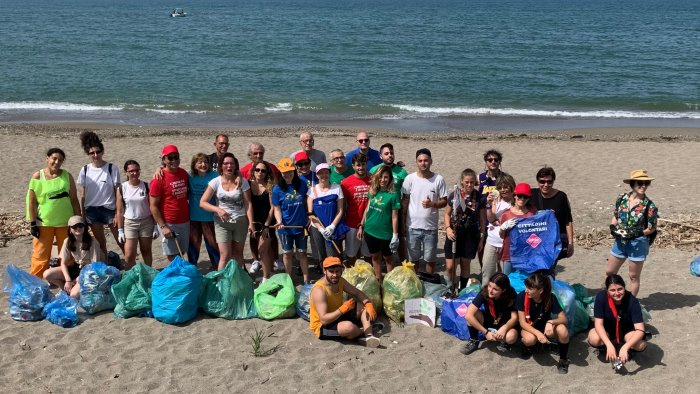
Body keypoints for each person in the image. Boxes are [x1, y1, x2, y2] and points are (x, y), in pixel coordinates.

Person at [26, 148, 81, 277]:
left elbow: (74, 200)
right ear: (47, 158)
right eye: (54, 158)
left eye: (60, 160)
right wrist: (33, 224)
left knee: (67, 255)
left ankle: (67, 280)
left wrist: (78, 220)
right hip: (44, 223)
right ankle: (36, 284)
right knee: (41, 256)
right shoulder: (38, 176)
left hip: (65, 223)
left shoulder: (67, 176)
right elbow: (32, 202)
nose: (57, 162)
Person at [606, 170, 658, 297]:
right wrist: (613, 227)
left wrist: (636, 233)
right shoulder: (622, 199)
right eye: (640, 183)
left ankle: (631, 303)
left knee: (633, 276)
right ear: (632, 184)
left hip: (638, 243)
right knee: (610, 271)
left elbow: (652, 228)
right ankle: (614, 296)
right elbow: (616, 216)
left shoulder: (649, 205)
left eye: (647, 183)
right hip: (620, 241)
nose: (644, 186)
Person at [309, 256, 380, 347]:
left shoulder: (340, 281)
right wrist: (343, 309)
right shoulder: (319, 290)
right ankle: (363, 330)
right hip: (322, 327)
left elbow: (357, 293)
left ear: (341, 270)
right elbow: (324, 320)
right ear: (324, 271)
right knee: (348, 327)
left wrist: (368, 304)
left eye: (337, 271)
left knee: (362, 306)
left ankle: (369, 336)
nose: (335, 275)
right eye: (331, 271)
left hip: (338, 315)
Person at [200, 153, 254, 271]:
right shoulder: (215, 182)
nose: (229, 166)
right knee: (224, 255)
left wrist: (251, 222)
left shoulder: (242, 182)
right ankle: (222, 284)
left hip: (240, 222)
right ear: (221, 166)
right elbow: (203, 202)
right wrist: (217, 209)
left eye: (231, 163)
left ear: (235, 166)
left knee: (238, 253)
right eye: (226, 163)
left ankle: (236, 280)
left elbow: (248, 203)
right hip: (222, 223)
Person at [401, 148, 447, 273]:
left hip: (430, 228)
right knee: (413, 260)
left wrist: (432, 203)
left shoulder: (438, 179)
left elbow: (444, 201)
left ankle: (429, 283)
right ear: (416, 162)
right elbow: (404, 202)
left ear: (431, 161)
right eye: (420, 161)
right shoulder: (409, 179)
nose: (423, 163)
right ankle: (415, 283)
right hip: (412, 226)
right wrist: (402, 223)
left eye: (426, 160)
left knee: (430, 260)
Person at [588, 274, 647, 370]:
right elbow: (598, 324)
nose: (617, 293)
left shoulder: (632, 300)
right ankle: (606, 349)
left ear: (624, 287)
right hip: (607, 329)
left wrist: (626, 347)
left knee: (640, 345)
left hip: (626, 331)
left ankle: (627, 351)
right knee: (594, 338)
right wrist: (608, 344)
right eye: (612, 290)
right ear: (607, 291)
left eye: (620, 289)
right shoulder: (601, 297)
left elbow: (640, 329)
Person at [516, 272, 571, 374]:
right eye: (526, 287)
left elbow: (564, 319)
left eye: (530, 288)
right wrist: (538, 334)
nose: (526, 290)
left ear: (540, 290)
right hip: (528, 327)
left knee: (562, 330)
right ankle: (529, 347)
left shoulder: (550, 298)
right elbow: (522, 323)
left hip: (544, 327)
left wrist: (551, 322)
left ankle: (563, 359)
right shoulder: (522, 296)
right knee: (530, 339)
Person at [77, 131, 121, 256]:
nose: (95, 155)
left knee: (121, 240)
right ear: (88, 154)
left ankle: (130, 265)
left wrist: (118, 213)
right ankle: (106, 267)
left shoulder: (112, 168)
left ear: (102, 151)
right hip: (92, 210)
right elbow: (82, 195)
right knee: (101, 243)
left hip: (109, 209)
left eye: (98, 152)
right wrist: (83, 215)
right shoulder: (85, 170)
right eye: (92, 153)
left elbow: (118, 192)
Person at [239, 143, 280, 272]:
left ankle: (275, 258)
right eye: (255, 153)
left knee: (272, 235)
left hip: (268, 210)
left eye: (261, 153)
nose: (258, 155)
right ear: (250, 155)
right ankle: (256, 260)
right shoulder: (244, 171)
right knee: (253, 237)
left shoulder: (272, 168)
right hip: (252, 211)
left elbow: (278, 187)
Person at [358, 165, 400, 282]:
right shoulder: (372, 191)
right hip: (370, 230)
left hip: (385, 233)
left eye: (386, 177)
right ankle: (378, 280)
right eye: (380, 177)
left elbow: (394, 216)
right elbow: (367, 209)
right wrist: (361, 225)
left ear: (390, 179)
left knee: (388, 258)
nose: (383, 180)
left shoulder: (393, 195)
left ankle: (389, 282)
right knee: (375, 256)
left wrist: (395, 235)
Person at [43, 216, 102, 298]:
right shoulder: (68, 241)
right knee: (47, 274)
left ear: (85, 228)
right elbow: (63, 263)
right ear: (70, 229)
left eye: (80, 226)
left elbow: (94, 265)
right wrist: (68, 280)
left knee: (74, 295)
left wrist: (78, 278)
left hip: (88, 271)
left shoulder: (92, 241)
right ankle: (65, 289)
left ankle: (73, 290)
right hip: (76, 267)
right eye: (74, 227)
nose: (78, 228)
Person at [272, 158, 311, 283]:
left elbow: (307, 202)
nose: (287, 174)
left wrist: (310, 217)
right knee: (288, 254)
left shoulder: (302, 184)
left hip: (301, 226)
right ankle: (289, 279)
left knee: (302, 253)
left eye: (290, 171)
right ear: (280, 173)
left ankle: (306, 279)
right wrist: (279, 221)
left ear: (294, 171)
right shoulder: (277, 189)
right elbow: (276, 208)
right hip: (285, 228)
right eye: (284, 172)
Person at [150, 145, 190, 263]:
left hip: (184, 221)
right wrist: (163, 226)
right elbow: (153, 206)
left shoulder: (183, 173)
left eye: (176, 157)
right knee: (172, 257)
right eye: (170, 158)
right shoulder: (158, 179)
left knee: (182, 253)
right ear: (164, 160)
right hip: (169, 223)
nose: (174, 160)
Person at [462, 272, 519, 355]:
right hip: (489, 320)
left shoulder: (511, 295)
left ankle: (504, 342)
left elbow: (514, 318)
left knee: (511, 337)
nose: (490, 291)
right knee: (472, 315)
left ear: (504, 290)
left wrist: (505, 328)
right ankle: (474, 340)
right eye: (489, 286)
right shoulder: (485, 291)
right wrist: (485, 332)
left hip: (504, 323)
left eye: (495, 289)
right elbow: (468, 315)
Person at [443, 169, 481, 291]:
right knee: (450, 266)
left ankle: (462, 289)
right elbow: (447, 214)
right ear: (462, 182)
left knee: (465, 264)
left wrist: (482, 236)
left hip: (470, 234)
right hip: (454, 232)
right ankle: (451, 287)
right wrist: (448, 228)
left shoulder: (478, 196)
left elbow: (483, 218)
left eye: (471, 182)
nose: (469, 185)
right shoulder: (454, 195)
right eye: (467, 182)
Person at [370, 143, 408, 260]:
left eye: (391, 153)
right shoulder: (374, 170)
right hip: (380, 207)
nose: (389, 155)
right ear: (380, 156)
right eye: (386, 153)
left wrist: (404, 211)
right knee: (380, 236)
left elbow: (406, 194)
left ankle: (403, 263)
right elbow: (372, 190)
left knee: (400, 236)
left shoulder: (401, 172)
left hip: (396, 208)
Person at [116, 160, 157, 268]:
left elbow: (153, 207)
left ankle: (148, 272)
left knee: (146, 250)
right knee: (129, 255)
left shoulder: (146, 186)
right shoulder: (122, 188)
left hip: (146, 221)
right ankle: (130, 275)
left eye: (137, 170)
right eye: (131, 171)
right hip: (130, 223)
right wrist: (120, 230)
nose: (134, 173)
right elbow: (119, 210)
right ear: (126, 173)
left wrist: (156, 226)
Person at [530, 167, 575, 267]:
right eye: (542, 181)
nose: (546, 185)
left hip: (554, 240)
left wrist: (571, 242)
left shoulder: (561, 197)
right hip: (536, 239)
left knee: (549, 268)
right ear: (537, 181)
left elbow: (568, 221)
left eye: (549, 182)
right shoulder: (531, 194)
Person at [307, 163, 348, 262]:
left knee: (332, 255)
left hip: (332, 227)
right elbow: (310, 214)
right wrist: (321, 229)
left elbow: (340, 210)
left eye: (326, 172)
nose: (323, 175)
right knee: (322, 254)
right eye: (320, 173)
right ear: (317, 175)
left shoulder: (337, 188)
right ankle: (324, 275)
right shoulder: (312, 190)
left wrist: (332, 227)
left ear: (329, 173)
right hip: (317, 227)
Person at [481, 173, 515, 286]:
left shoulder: (517, 201)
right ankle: (485, 300)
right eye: (500, 187)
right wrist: (489, 205)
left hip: (506, 244)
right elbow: (491, 219)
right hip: (492, 241)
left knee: (504, 277)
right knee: (487, 273)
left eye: (505, 187)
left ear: (511, 186)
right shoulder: (497, 200)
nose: (503, 190)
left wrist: (499, 221)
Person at [187, 153, 220, 269]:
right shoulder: (190, 176)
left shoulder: (215, 176)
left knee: (212, 245)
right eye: (200, 162)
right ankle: (192, 267)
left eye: (205, 162)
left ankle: (216, 266)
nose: (203, 165)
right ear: (194, 165)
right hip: (194, 217)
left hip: (209, 217)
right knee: (193, 246)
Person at [498, 183, 537, 275]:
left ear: (528, 198)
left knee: (525, 284)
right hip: (508, 255)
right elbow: (502, 236)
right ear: (515, 196)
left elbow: (536, 235)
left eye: (525, 197)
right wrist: (503, 227)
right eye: (520, 196)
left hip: (526, 255)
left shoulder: (532, 214)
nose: (522, 199)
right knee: (506, 283)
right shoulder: (506, 214)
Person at [340, 153, 371, 266]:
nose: (361, 167)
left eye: (363, 164)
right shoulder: (346, 183)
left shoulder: (373, 179)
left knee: (369, 255)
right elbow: (342, 206)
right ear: (353, 166)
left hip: (370, 223)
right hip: (352, 223)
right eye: (358, 165)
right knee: (351, 254)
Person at [248, 161, 277, 279]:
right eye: (257, 170)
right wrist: (250, 223)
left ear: (267, 173)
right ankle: (269, 273)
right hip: (254, 221)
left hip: (267, 222)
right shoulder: (248, 185)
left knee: (263, 249)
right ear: (253, 171)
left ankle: (265, 277)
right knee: (266, 250)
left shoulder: (270, 186)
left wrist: (266, 225)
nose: (260, 172)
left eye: (263, 170)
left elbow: (272, 208)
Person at [478, 149, 504, 264]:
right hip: (482, 216)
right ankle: (483, 268)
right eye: (490, 160)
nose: (493, 162)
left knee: (499, 248)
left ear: (499, 162)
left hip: (498, 217)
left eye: (495, 160)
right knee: (481, 245)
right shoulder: (480, 177)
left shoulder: (504, 178)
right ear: (486, 162)